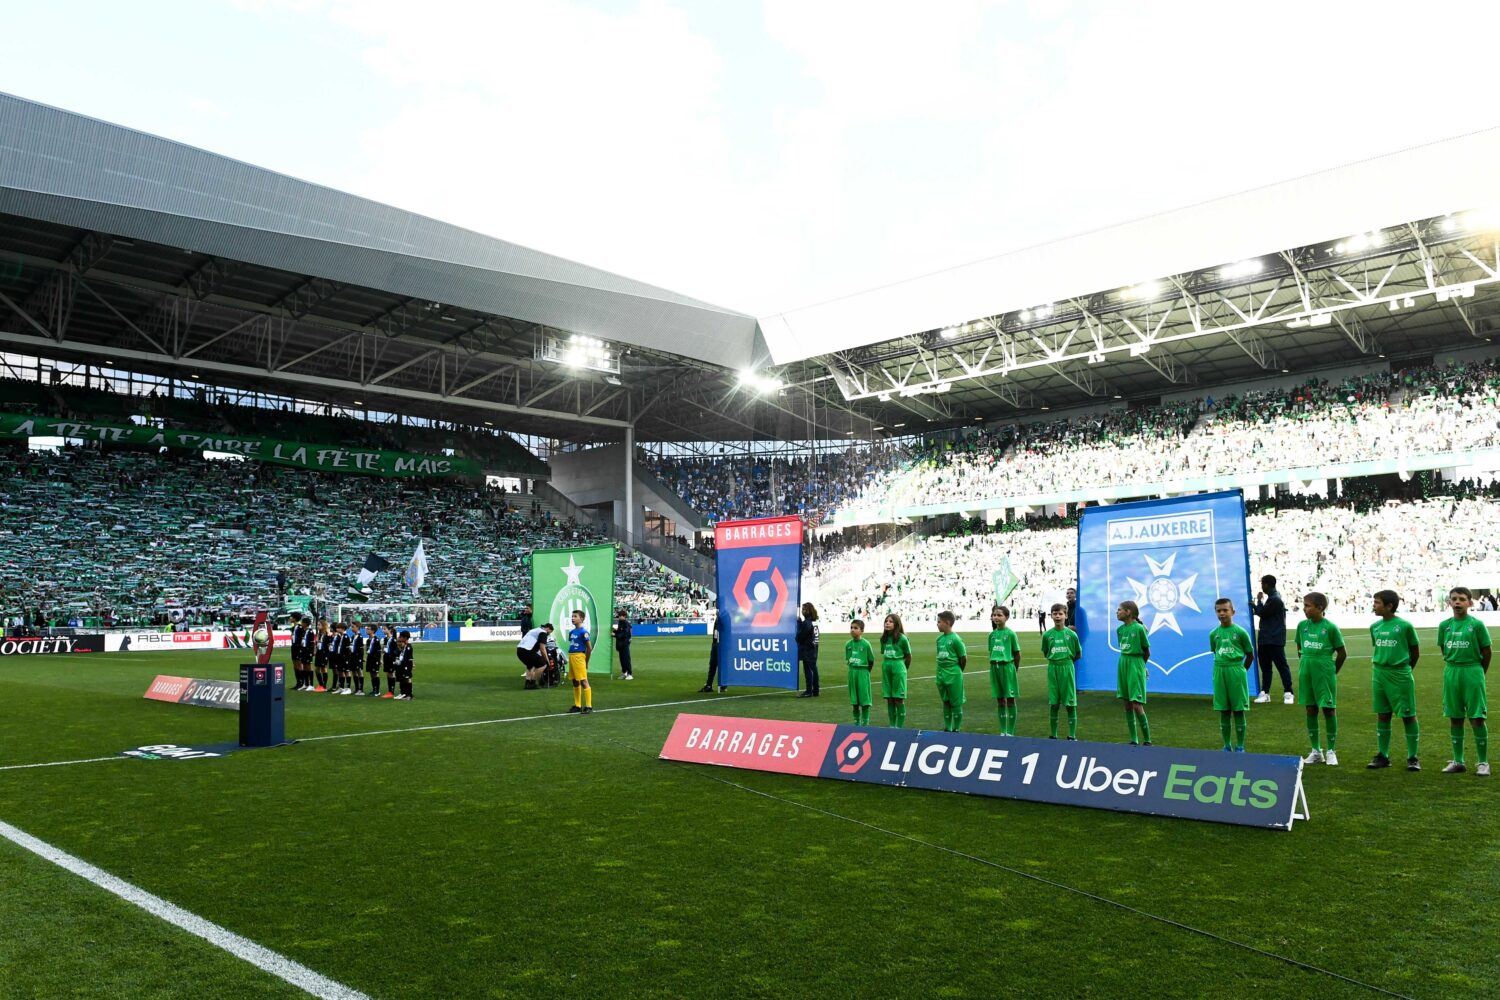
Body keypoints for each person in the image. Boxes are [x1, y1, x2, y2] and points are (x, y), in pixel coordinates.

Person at [1439, 586, 1492, 775]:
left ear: (1470, 602)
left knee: (1477, 717)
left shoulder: (1476, 625)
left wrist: (1479, 673)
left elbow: (1487, 651)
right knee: (1455, 717)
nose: (1457, 602)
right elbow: (1444, 649)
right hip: (1452, 671)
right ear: (1449, 602)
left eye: (1462, 599)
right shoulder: (1444, 626)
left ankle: (1483, 762)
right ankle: (1458, 761)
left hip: (1472, 671)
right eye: (1454, 599)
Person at [1368, 589, 1421, 771]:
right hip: (1379, 674)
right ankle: (1383, 756)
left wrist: (1405, 670)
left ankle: (1413, 757)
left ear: (1389, 606)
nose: (1374, 606)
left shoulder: (1405, 626)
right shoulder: (1375, 627)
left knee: (1408, 715)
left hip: (1400, 674)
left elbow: (1415, 652)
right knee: (1383, 714)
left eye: (1377, 603)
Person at [1296, 592, 1346, 766]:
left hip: (1324, 671)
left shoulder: (1330, 628)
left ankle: (1331, 750)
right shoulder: (1302, 626)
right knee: (1310, 708)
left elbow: (1342, 653)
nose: (1304, 609)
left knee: (1328, 709)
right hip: (1306, 670)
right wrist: (1305, 665)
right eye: (1304, 605)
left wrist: (1332, 671)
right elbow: (1299, 647)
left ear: (1320, 608)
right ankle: (1316, 751)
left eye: (1308, 606)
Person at [1209, 598, 1255, 752]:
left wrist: (1242, 671)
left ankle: (1240, 746)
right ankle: (1227, 745)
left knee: (1238, 709)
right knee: (1223, 709)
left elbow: (1250, 655)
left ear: (1233, 612)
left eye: (1225, 610)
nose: (1222, 613)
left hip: (1236, 670)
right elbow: (1215, 651)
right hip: (1220, 670)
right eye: (1218, 611)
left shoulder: (1240, 632)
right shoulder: (1213, 634)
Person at [1253, 575, 1295, 704]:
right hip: (1266, 638)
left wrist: (1257, 602)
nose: (1262, 587)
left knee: (1281, 666)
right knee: (1266, 667)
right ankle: (1265, 692)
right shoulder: (1273, 598)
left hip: (1273, 639)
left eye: (1262, 584)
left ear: (1266, 584)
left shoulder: (1275, 599)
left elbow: (1262, 613)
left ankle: (1288, 692)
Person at [1116, 601, 1152, 746]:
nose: (1117, 612)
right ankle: (1133, 740)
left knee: (1137, 704)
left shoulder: (1139, 629)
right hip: (1123, 663)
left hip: (1135, 664)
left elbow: (1147, 652)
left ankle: (1147, 740)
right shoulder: (1119, 630)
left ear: (1128, 612)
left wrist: (1142, 667)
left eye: (1119, 610)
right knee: (1127, 703)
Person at [1043, 603, 1081, 739]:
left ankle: (1072, 735)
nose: (1057, 616)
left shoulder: (1071, 635)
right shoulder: (1047, 635)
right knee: (1054, 703)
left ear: (1065, 615)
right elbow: (1046, 652)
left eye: (1060, 614)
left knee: (1070, 703)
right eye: (1055, 614)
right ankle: (1053, 735)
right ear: (1051, 616)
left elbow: (1078, 654)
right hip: (1053, 668)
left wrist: (1066, 662)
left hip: (1067, 667)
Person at [988, 604, 1021, 735]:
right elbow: (991, 651)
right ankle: (1003, 731)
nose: (996, 617)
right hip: (994, 668)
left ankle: (1010, 732)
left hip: (1007, 667)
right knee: (1000, 699)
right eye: (994, 615)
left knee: (1010, 699)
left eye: (999, 615)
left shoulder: (1011, 634)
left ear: (1006, 617)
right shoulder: (992, 635)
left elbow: (1017, 654)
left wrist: (1014, 669)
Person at [934, 609, 967, 732]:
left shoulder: (956, 639)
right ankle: (947, 727)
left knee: (956, 702)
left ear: (947, 623)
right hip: (941, 672)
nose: (937, 624)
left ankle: (956, 728)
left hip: (953, 673)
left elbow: (963, 658)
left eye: (939, 622)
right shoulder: (939, 640)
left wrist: (957, 670)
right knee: (946, 701)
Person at [879, 613, 912, 727]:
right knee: (889, 698)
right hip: (886, 666)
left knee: (898, 698)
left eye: (891, 621)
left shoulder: (902, 638)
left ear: (897, 624)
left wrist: (903, 669)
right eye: (886, 621)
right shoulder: (883, 639)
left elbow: (908, 656)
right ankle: (892, 726)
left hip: (898, 666)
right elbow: (884, 652)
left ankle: (899, 727)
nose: (887, 623)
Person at [845, 619, 875, 725]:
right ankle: (856, 723)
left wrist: (866, 672)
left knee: (864, 699)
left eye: (855, 628)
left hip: (863, 672)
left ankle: (865, 723)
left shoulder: (866, 644)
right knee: (854, 700)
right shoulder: (848, 644)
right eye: (851, 628)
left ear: (862, 631)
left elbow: (871, 660)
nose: (852, 630)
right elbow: (848, 659)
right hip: (852, 672)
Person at [566, 609, 593, 714]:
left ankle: (589, 706)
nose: (572, 618)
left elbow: (589, 648)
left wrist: (586, 661)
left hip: (579, 656)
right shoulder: (572, 632)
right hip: (572, 656)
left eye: (575, 616)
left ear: (581, 619)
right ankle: (577, 705)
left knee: (583, 680)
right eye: (572, 616)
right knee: (574, 681)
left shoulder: (583, 632)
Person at [518, 623, 555, 689]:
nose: (549, 634)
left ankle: (527, 683)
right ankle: (533, 683)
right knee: (543, 665)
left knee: (530, 665)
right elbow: (542, 649)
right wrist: (547, 660)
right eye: (550, 632)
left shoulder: (534, 630)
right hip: (528, 651)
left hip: (519, 650)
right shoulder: (543, 633)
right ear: (548, 628)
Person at [796, 603, 821, 698]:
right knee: (813, 669)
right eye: (802, 609)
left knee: (808, 671)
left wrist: (799, 626)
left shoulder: (807, 623)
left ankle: (809, 691)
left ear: (809, 611)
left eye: (804, 609)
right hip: (814, 648)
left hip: (807, 649)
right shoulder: (814, 622)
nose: (802, 611)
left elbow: (800, 637)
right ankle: (816, 690)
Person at [700, 615, 726, 693]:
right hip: (715, 643)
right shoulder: (718, 618)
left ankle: (723, 685)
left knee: (722, 665)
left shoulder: (725, 617)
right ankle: (709, 685)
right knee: (712, 664)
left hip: (722, 644)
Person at [288, 612, 309, 691]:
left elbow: (303, 638)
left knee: (299, 665)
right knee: (295, 665)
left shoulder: (300, 627)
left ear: (294, 618)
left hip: (298, 648)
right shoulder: (294, 627)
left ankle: (302, 683)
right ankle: (298, 682)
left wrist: (301, 648)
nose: (290, 618)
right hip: (294, 647)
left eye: (291, 617)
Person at [391, 629, 415, 700]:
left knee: (407, 678)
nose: (399, 638)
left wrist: (411, 666)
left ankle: (409, 695)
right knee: (401, 679)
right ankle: (403, 693)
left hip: (406, 666)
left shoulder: (409, 647)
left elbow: (410, 658)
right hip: (401, 665)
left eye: (400, 637)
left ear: (405, 638)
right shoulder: (403, 646)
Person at [364, 623, 384, 697]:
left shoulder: (376, 639)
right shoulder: (368, 640)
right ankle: (374, 689)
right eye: (367, 629)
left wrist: (380, 660)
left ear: (373, 631)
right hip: (370, 659)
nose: (366, 630)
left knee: (375, 674)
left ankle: (377, 691)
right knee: (371, 674)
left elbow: (379, 651)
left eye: (368, 629)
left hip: (375, 659)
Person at [613, 609, 634, 680]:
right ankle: (624, 673)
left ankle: (629, 674)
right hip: (620, 644)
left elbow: (625, 634)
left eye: (620, 616)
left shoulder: (626, 624)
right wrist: (615, 631)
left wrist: (615, 635)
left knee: (626, 659)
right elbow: (619, 632)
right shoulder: (620, 623)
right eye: (619, 615)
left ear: (624, 616)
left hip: (625, 644)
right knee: (622, 659)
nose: (619, 617)